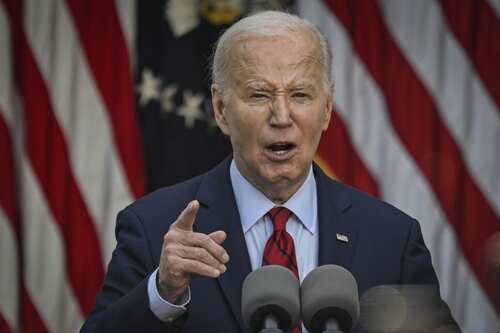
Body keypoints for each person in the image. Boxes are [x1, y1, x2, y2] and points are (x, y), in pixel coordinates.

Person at [81, 11, 441, 333]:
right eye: (259, 95)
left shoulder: (392, 238)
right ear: (221, 110)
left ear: (327, 109)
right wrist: (163, 292)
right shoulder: (153, 228)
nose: (282, 117)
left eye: (300, 95)